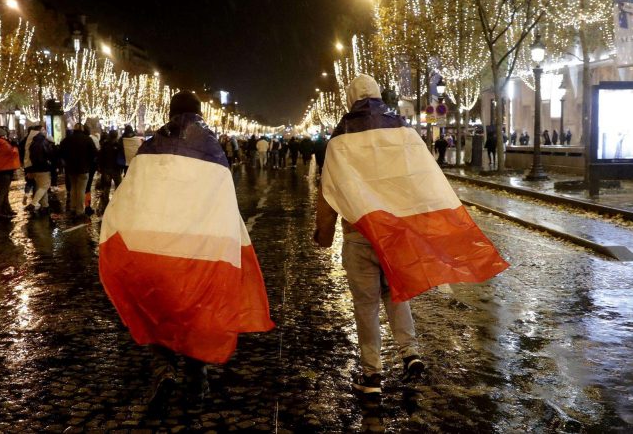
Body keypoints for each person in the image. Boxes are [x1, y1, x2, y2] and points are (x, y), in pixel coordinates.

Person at [314, 74, 508, 395]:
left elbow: (329, 190)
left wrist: (324, 233)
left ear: (350, 100)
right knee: (395, 292)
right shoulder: (404, 132)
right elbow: (422, 175)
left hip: (359, 234)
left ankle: (372, 375)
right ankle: (410, 352)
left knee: (366, 305)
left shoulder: (339, 139)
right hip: (397, 234)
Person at [98, 91, 274, 411]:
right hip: (198, 247)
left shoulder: (151, 146)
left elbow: (131, 193)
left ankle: (164, 368)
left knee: (158, 306)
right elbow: (222, 199)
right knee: (197, 309)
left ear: (170, 112)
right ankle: (196, 375)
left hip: (153, 246)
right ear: (199, 113)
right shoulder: (212, 148)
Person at [60, 123, 97, 218]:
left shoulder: (67, 140)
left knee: (73, 188)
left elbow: (61, 152)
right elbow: (94, 153)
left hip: (70, 168)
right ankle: (79, 210)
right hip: (83, 168)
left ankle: (73, 207)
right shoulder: (87, 139)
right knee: (81, 189)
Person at [26, 127, 54, 215]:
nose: (45, 131)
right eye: (43, 130)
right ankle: (33, 203)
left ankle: (45, 206)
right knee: (45, 186)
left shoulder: (32, 142)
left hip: (35, 168)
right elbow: (49, 154)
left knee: (41, 186)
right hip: (43, 167)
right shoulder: (43, 142)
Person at [97, 129, 123, 215]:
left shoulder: (105, 145)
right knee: (118, 186)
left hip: (107, 169)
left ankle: (106, 204)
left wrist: (100, 167)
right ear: (116, 136)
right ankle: (117, 202)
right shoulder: (118, 145)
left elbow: (100, 157)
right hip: (115, 169)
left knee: (106, 187)